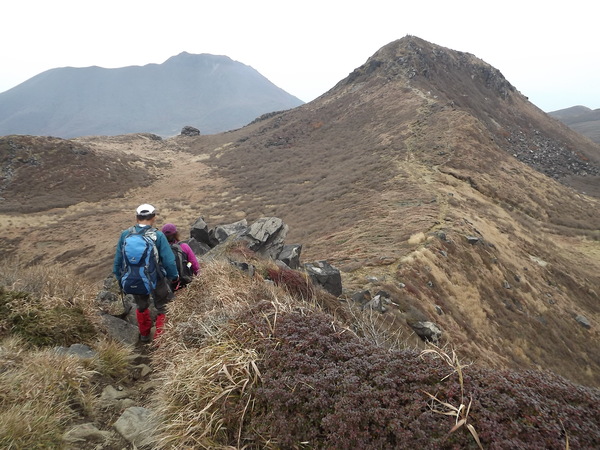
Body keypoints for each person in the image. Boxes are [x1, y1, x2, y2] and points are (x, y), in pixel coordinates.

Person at [113, 204, 179, 342]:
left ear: (137, 218)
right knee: (163, 307)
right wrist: (173, 277)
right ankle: (160, 340)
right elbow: (169, 260)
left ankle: (144, 335)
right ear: (153, 218)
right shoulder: (158, 236)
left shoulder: (126, 235)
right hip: (156, 278)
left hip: (134, 277)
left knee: (141, 306)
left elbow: (118, 259)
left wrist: (120, 277)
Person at [161, 223, 200, 291]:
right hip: (185, 283)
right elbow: (195, 265)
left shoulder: (160, 249)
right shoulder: (184, 247)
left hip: (167, 287)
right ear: (176, 234)